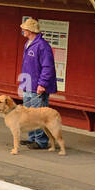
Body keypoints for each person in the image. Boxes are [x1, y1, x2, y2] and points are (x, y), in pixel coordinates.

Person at [19, 16, 58, 150]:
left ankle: (41, 141)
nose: (22, 30)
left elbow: (48, 67)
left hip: (37, 86)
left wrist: (42, 84)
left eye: (24, 29)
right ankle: (32, 138)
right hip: (28, 84)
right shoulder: (28, 43)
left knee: (38, 115)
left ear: (30, 30)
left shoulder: (42, 46)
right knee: (28, 114)